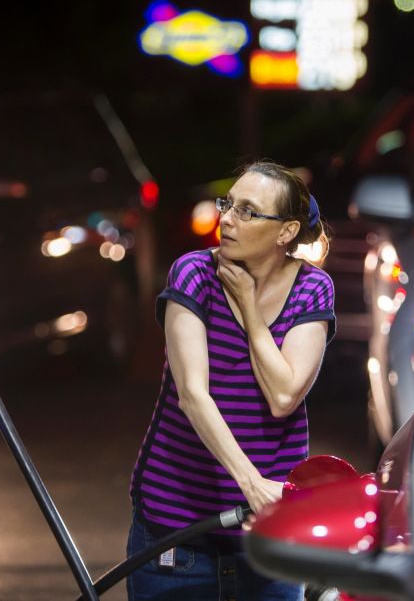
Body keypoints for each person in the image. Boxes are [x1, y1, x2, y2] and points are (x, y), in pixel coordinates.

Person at [127, 161, 336, 600]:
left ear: (286, 232)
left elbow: (283, 395)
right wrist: (251, 483)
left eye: (248, 211)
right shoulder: (194, 274)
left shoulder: (312, 289)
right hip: (178, 532)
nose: (226, 219)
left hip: (270, 539)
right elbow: (192, 395)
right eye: (228, 205)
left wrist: (249, 309)